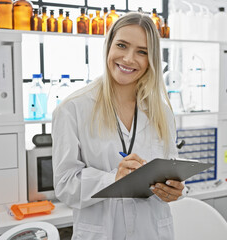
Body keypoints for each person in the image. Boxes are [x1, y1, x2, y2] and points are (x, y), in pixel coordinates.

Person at [52, 12, 185, 239]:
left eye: (141, 52)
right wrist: (113, 179)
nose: (129, 59)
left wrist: (175, 190)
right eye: (122, 45)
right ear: (108, 46)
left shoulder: (162, 112)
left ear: (151, 59)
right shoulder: (73, 108)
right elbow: (65, 185)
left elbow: (171, 167)